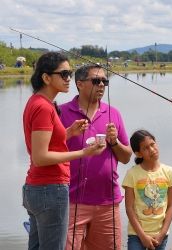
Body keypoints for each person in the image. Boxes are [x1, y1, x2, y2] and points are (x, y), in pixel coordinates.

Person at [22, 52, 106, 250]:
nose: (69, 79)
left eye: (71, 73)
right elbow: (40, 157)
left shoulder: (37, 102)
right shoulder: (44, 107)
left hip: (35, 188)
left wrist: (67, 133)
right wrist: (84, 153)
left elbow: (43, 146)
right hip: (50, 189)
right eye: (65, 74)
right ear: (46, 77)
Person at [59, 64, 132, 250]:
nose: (101, 85)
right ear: (80, 84)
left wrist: (114, 141)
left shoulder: (113, 113)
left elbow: (125, 158)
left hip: (107, 202)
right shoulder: (61, 112)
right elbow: (46, 152)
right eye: (96, 81)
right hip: (71, 200)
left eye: (105, 81)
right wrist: (68, 133)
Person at [122, 130, 172, 250]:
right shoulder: (132, 174)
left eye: (152, 144)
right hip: (136, 235)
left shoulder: (169, 172)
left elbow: (171, 206)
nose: (152, 149)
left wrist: (162, 233)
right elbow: (129, 208)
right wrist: (142, 236)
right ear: (138, 154)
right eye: (146, 148)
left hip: (160, 234)